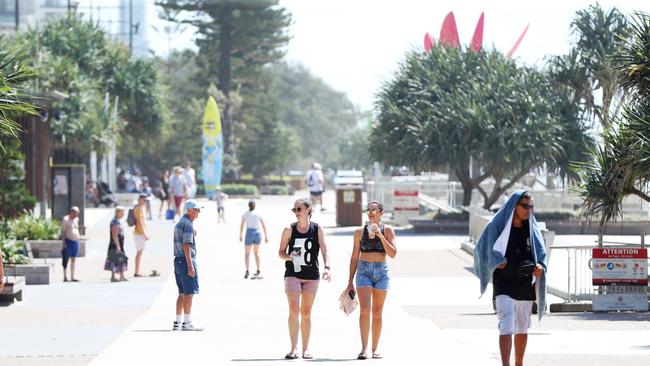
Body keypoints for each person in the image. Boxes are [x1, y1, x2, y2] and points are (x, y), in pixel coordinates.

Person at [473, 190, 547, 366]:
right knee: (506, 323)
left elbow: (541, 254)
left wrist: (540, 267)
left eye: (531, 206)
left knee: (522, 326)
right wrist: (494, 262)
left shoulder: (532, 229)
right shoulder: (496, 227)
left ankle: (518, 363)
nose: (528, 210)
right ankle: (505, 364)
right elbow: (481, 250)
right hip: (503, 283)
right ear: (514, 206)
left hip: (525, 283)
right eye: (524, 206)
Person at [278, 198, 331, 359]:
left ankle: (305, 349)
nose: (296, 212)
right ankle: (293, 348)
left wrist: (327, 268)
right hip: (292, 274)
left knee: (306, 313)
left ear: (308, 209)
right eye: (294, 209)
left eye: (299, 209)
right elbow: (280, 252)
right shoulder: (289, 229)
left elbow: (325, 250)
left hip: (311, 276)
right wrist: (289, 256)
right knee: (294, 310)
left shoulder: (317, 228)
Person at [344, 201, 397, 360]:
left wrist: (380, 235)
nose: (371, 212)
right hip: (364, 271)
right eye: (369, 210)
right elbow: (354, 257)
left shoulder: (388, 230)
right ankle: (364, 348)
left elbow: (393, 253)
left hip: (382, 271)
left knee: (378, 312)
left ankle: (375, 349)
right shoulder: (359, 232)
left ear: (381, 212)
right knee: (365, 310)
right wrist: (349, 281)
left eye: (374, 210)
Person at [173, 199, 204, 331]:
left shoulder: (180, 222)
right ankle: (187, 322)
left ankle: (178, 322)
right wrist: (190, 266)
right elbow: (186, 245)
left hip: (177, 261)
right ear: (190, 210)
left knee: (181, 293)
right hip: (186, 261)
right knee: (189, 293)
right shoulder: (188, 224)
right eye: (196, 210)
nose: (198, 213)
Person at [239, 200, 269, 279]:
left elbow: (242, 225)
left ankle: (247, 270)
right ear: (254, 206)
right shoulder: (258, 214)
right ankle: (258, 269)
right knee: (256, 253)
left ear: (248, 206)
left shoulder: (245, 214)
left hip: (249, 232)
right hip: (257, 233)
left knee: (247, 253)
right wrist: (266, 236)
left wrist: (240, 235)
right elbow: (263, 225)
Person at [105, 206, 128, 282]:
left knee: (121, 259)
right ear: (118, 212)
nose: (123, 214)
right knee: (114, 259)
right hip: (115, 244)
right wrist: (118, 246)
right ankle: (113, 277)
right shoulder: (114, 222)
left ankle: (122, 276)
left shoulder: (117, 221)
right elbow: (115, 235)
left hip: (119, 242)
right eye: (122, 213)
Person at [61, 206, 81, 282]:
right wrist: (64, 243)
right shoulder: (65, 220)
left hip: (75, 241)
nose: (76, 215)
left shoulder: (76, 219)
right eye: (75, 213)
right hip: (68, 240)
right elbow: (63, 232)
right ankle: (65, 276)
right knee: (66, 259)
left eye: (77, 213)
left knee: (73, 259)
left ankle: (72, 276)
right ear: (71, 212)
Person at [133, 194, 150, 277]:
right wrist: (145, 234)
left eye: (146, 200)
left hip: (140, 233)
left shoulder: (141, 208)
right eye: (144, 200)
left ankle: (137, 270)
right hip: (139, 233)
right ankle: (136, 271)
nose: (145, 202)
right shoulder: (138, 209)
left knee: (140, 252)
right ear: (139, 200)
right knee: (139, 253)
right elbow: (139, 222)